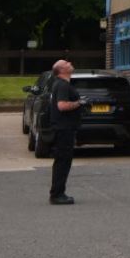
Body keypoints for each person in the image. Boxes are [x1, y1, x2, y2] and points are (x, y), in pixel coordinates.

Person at [47, 59, 82, 204]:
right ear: (61, 70)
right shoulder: (62, 85)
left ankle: (58, 192)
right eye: (66, 63)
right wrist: (79, 103)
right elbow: (61, 106)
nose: (69, 62)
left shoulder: (63, 84)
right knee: (62, 161)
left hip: (65, 129)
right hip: (63, 129)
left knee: (63, 161)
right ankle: (57, 195)